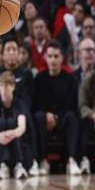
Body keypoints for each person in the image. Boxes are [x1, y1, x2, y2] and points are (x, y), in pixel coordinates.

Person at [32, 40, 81, 175]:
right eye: (50, 56)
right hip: (45, 119)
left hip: (63, 118)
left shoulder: (70, 79)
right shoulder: (39, 79)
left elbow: (72, 104)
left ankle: (72, 160)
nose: (53, 60)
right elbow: (36, 105)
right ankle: (43, 161)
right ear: (45, 58)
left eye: (56, 56)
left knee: (72, 117)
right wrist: (47, 115)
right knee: (38, 117)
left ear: (62, 58)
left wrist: (56, 117)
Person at [0, 71, 28, 180]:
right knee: (2, 123)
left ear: (13, 87)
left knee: (10, 124)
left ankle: (18, 165)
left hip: (17, 140)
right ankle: (4, 165)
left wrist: (12, 133)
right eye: (1, 85)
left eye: (7, 85)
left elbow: (22, 127)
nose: (4, 89)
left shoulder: (19, 103)